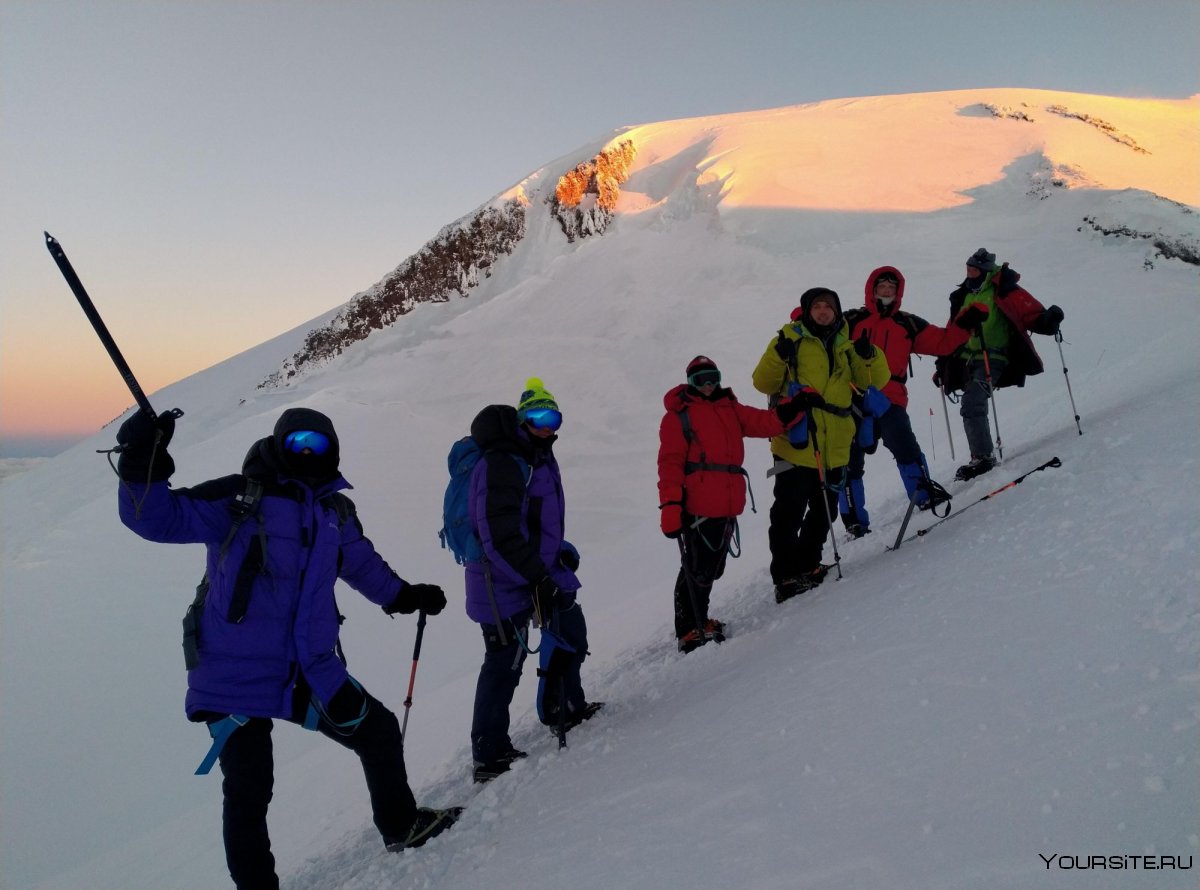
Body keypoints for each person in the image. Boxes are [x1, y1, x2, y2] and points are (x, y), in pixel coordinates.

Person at [115, 406, 456, 890]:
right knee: (250, 788)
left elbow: (361, 566)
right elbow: (154, 518)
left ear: (333, 451)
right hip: (232, 676)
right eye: (297, 443)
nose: (307, 453)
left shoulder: (333, 512)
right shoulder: (239, 497)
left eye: (317, 445)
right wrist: (140, 457)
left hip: (308, 670)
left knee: (377, 731)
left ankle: (402, 825)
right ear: (279, 445)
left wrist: (405, 596)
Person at [464, 378, 601, 783]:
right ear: (521, 420)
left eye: (553, 417)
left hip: (534, 572)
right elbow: (499, 535)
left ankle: (564, 708)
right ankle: (489, 755)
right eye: (538, 418)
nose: (546, 426)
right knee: (504, 663)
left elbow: (534, 521)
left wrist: (558, 550)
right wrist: (537, 575)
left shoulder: (535, 457)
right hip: (500, 580)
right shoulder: (504, 462)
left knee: (571, 633)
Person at [657, 355, 807, 652]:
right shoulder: (678, 416)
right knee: (698, 566)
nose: (709, 384)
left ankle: (698, 619)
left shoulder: (730, 408)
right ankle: (689, 629)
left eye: (713, 377)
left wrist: (789, 411)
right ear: (690, 383)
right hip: (698, 504)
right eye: (701, 379)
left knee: (711, 566)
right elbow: (670, 463)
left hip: (726, 501)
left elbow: (762, 422)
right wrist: (671, 505)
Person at [753, 287, 890, 602]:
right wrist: (778, 356)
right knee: (788, 511)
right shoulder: (788, 341)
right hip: (796, 441)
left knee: (824, 509)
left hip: (835, 443)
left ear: (837, 311)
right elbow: (763, 382)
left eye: (829, 306)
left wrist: (871, 355)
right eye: (817, 306)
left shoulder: (847, 344)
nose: (824, 311)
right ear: (807, 310)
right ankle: (786, 577)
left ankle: (808, 564)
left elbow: (873, 381)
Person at [839, 266, 968, 537]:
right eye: (881, 287)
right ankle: (854, 522)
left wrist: (965, 324)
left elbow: (943, 343)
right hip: (852, 398)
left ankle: (922, 495)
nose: (886, 292)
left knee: (903, 444)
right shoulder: (850, 320)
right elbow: (821, 333)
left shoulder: (907, 324)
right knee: (849, 459)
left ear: (898, 293)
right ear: (871, 289)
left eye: (891, 288)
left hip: (891, 397)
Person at [934, 248, 1065, 480]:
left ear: (984, 271)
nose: (969, 273)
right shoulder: (963, 294)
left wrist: (1047, 321)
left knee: (973, 401)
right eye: (968, 269)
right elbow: (952, 330)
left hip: (993, 356)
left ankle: (983, 458)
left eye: (973, 270)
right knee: (973, 403)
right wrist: (942, 365)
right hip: (967, 359)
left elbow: (1029, 312)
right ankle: (981, 456)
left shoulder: (1002, 289)